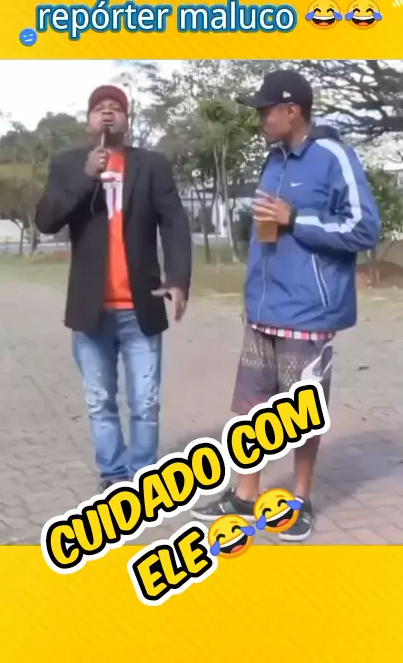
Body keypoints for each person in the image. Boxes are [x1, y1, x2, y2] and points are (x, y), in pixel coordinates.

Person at [191, 69, 380, 541]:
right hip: (264, 310)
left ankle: (300, 500)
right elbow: (264, 235)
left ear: (292, 110)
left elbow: (364, 228)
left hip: (308, 312)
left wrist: (297, 218)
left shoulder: (333, 156)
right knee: (250, 407)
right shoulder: (272, 159)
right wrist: (250, 295)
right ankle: (245, 495)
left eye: (266, 110)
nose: (261, 118)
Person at [35, 85, 192, 493]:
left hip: (141, 308)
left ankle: (143, 476)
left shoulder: (152, 165)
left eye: (116, 108)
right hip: (90, 311)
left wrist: (178, 280)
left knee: (145, 402)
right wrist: (85, 177)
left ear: (127, 119)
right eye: (99, 108)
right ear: (89, 120)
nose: (108, 113)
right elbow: (46, 220)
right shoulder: (69, 164)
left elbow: (174, 223)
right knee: (99, 400)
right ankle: (114, 474)